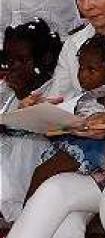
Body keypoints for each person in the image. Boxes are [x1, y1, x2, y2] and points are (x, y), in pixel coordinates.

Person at [6, 0, 105, 238]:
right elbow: (60, 101)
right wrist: (37, 108)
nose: (86, 6)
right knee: (65, 226)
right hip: (84, 158)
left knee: (52, 192)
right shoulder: (75, 44)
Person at [26, 33, 105, 200]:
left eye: (91, 69)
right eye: (81, 67)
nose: (83, 75)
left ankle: (26, 211)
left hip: (100, 147)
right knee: (45, 177)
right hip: (81, 142)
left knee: (43, 173)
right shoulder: (88, 94)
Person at [0, 19, 62, 223]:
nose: (13, 66)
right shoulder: (5, 91)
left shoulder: (55, 91)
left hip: (33, 168)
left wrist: (23, 100)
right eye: (9, 60)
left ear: (45, 59)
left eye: (22, 59)